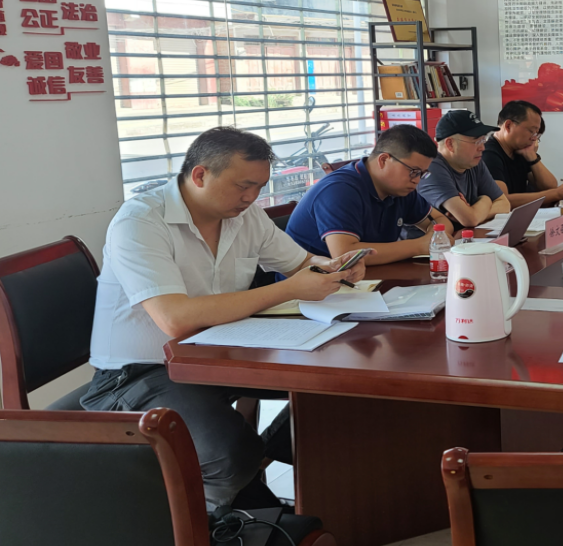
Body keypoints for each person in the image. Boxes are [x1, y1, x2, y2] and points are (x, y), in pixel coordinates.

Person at [82, 127, 369, 509]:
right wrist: (288, 289)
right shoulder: (141, 221)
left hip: (220, 352)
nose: (251, 198)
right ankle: (208, 523)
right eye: (243, 186)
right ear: (200, 175)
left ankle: (267, 480)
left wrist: (334, 267)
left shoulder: (245, 217)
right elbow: (175, 319)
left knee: (341, 389)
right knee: (228, 455)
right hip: (142, 371)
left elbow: (301, 263)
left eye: (259, 187)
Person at [285, 124, 439, 265]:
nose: (417, 180)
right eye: (414, 171)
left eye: (422, 174)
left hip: (366, 276)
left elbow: (439, 220)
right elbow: (345, 254)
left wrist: (434, 238)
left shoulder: (400, 189)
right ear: (383, 160)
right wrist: (418, 246)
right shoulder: (340, 190)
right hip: (310, 282)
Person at [418, 109, 511, 229]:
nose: (482, 148)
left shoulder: (473, 162)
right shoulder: (431, 168)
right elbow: (469, 219)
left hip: (462, 236)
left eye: (483, 140)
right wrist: (486, 199)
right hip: (434, 240)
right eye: (476, 141)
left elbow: (504, 204)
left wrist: (476, 211)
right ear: (450, 144)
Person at [482, 99, 563, 208]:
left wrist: (531, 156)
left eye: (536, 134)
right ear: (508, 126)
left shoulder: (518, 150)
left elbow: (549, 187)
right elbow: (502, 200)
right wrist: (557, 193)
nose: (534, 138)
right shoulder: (488, 154)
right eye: (532, 131)